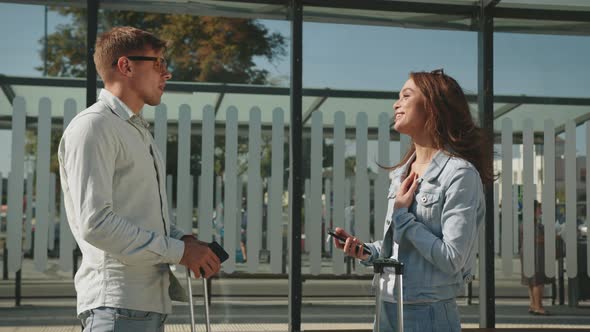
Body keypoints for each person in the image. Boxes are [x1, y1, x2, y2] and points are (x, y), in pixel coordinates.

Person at [58, 26, 221, 332]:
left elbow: (140, 215)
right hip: (117, 309)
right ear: (125, 65)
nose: (167, 73)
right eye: (158, 63)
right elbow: (96, 223)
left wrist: (182, 240)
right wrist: (179, 252)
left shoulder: (136, 131)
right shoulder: (94, 127)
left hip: (144, 308)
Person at [333, 69, 493, 331]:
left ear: (433, 106)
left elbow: (452, 258)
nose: (396, 104)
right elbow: (400, 249)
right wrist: (368, 251)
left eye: (406, 95)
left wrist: (403, 218)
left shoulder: (459, 174)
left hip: (427, 314)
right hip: (386, 307)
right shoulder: (401, 174)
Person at [519, 200, 555, 316]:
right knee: (538, 281)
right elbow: (537, 239)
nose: (541, 211)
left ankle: (533, 305)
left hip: (527, 253)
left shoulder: (525, 222)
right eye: (539, 208)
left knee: (531, 281)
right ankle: (538, 307)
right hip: (535, 254)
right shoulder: (532, 223)